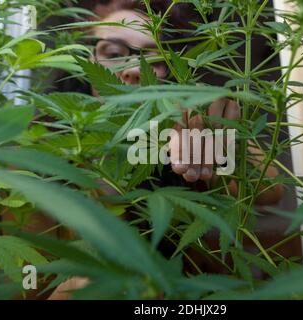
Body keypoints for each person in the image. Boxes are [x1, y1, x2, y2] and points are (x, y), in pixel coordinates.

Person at [41, 0, 284, 299]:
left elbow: (271, 189)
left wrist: (219, 133)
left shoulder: (177, 129)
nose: (133, 69)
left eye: (152, 59)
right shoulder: (52, 146)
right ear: (84, 62)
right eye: (114, 54)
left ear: (171, 72)